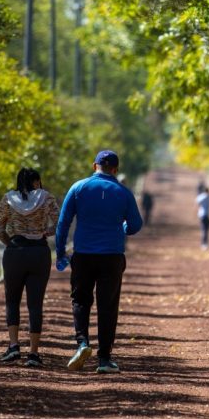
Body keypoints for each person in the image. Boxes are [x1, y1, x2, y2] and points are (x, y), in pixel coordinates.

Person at [55, 150, 143, 374]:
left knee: (80, 300)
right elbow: (135, 225)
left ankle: (82, 343)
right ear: (115, 169)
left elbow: (63, 223)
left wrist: (60, 252)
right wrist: (122, 227)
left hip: (83, 255)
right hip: (112, 257)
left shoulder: (78, 188)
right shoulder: (123, 192)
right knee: (108, 305)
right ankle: (104, 358)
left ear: (95, 166)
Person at [0, 167, 59, 367]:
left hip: (15, 252)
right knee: (35, 304)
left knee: (12, 301)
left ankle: (14, 346)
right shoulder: (47, 198)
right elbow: (60, 221)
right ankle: (33, 353)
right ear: (36, 181)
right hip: (39, 252)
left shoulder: (8, 199)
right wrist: (46, 232)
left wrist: (11, 244)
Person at [196, 186, 209, 250]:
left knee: (204, 229)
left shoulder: (200, 197)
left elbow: (198, 205)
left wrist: (197, 213)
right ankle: (205, 243)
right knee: (206, 230)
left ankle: (204, 243)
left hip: (202, 215)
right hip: (207, 215)